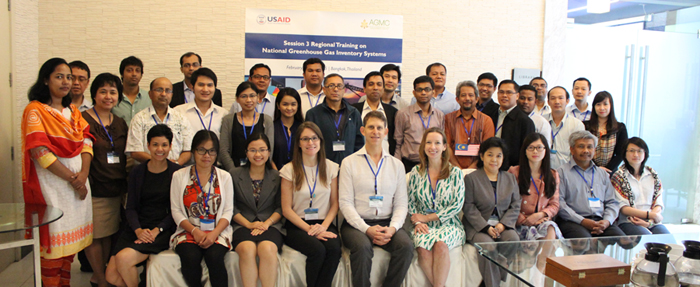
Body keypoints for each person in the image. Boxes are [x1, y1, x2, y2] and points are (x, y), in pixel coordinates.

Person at [21, 58, 95, 287]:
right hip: (52, 188)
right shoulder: (35, 111)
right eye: (59, 76)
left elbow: (86, 142)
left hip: (77, 188)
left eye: (69, 77)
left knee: (68, 255)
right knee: (53, 249)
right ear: (46, 79)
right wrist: (74, 180)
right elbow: (40, 152)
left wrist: (83, 175)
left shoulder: (72, 111)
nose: (66, 82)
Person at [339, 111, 413, 287]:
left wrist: (393, 228)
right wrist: (366, 229)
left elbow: (402, 203)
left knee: (406, 246)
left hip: (387, 221)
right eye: (371, 127)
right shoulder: (349, 162)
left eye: (380, 128)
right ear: (363, 130)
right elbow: (345, 203)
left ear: (386, 132)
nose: (375, 132)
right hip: (356, 224)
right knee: (363, 248)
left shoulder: (397, 165)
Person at [106, 125, 180, 287]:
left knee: (124, 259)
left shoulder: (177, 172)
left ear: (170, 146)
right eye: (155, 145)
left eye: (164, 145)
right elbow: (130, 207)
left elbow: (177, 210)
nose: (160, 149)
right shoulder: (138, 172)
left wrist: (157, 230)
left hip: (162, 229)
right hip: (136, 227)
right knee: (111, 276)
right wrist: (138, 230)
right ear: (148, 146)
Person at [280, 122, 341, 287]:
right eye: (305, 139)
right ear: (298, 143)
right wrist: (309, 229)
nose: (310, 143)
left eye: (314, 138)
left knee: (334, 249)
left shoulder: (331, 167)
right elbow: (286, 209)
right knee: (317, 250)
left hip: (324, 223)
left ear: (320, 141)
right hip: (298, 225)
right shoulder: (289, 170)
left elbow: (335, 204)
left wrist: (322, 227)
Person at [82, 73, 129, 287]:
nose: (108, 96)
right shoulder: (83, 120)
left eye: (112, 92)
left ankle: (100, 275)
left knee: (110, 233)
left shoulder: (119, 122)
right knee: (95, 235)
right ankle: (101, 279)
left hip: (117, 186)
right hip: (95, 186)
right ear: (94, 94)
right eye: (103, 91)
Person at [171, 130, 233, 287]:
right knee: (190, 257)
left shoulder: (225, 176)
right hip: (188, 231)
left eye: (212, 151)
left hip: (216, 231)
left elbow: (228, 211)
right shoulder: (179, 175)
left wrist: (214, 234)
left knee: (214, 257)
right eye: (201, 150)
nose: (207, 155)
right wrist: (194, 231)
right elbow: (176, 211)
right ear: (193, 151)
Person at [407, 127, 465, 287]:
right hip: (423, 226)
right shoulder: (415, 172)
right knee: (422, 247)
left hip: (449, 224)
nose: (433, 147)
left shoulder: (456, 173)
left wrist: (427, 217)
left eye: (437, 143)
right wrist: (419, 222)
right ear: (423, 146)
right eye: (429, 143)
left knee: (440, 245)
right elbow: (410, 203)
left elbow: (457, 205)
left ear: (445, 146)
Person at [462, 137, 521, 287]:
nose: (494, 159)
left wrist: (503, 224)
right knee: (488, 246)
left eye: (498, 155)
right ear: (482, 156)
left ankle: (487, 281)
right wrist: (485, 227)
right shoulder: (471, 178)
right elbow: (468, 207)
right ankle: (493, 283)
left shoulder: (510, 178)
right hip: (478, 227)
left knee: (513, 239)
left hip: (502, 225)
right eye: (490, 154)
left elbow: (515, 204)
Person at [230, 133, 283, 287]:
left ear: (269, 152)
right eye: (252, 150)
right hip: (242, 224)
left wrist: (266, 223)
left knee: (267, 249)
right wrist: (248, 224)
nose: (258, 154)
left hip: (271, 225)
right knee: (247, 249)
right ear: (246, 152)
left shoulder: (277, 176)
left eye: (262, 149)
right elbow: (230, 207)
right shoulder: (234, 174)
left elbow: (281, 207)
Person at [556, 130, 625, 238]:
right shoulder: (561, 173)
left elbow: (612, 202)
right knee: (585, 242)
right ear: (572, 149)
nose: (586, 150)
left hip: (601, 220)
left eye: (590, 147)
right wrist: (583, 221)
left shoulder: (602, 173)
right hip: (573, 221)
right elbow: (560, 203)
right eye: (581, 146)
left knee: (623, 242)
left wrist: (607, 221)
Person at [125, 77, 193, 165]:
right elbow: (135, 151)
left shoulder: (181, 119)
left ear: (172, 95)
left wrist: (175, 164)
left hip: (176, 172)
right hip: (148, 172)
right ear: (150, 94)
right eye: (159, 90)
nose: (163, 94)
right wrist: (161, 163)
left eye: (168, 90)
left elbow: (188, 150)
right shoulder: (139, 119)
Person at [508, 133, 563, 241]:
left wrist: (539, 215)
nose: (535, 151)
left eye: (539, 148)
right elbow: (506, 202)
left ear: (545, 150)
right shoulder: (514, 172)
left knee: (550, 228)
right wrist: (524, 219)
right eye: (531, 148)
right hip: (518, 221)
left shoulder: (553, 174)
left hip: (541, 220)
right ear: (525, 150)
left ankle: (543, 258)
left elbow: (554, 204)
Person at [611, 137, 670, 235]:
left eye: (639, 151)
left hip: (653, 222)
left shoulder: (653, 174)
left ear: (645, 153)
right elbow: (623, 208)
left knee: (668, 242)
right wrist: (650, 215)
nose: (635, 155)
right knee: (646, 239)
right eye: (631, 151)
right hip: (630, 221)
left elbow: (658, 202)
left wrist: (650, 220)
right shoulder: (618, 177)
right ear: (624, 153)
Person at [305, 73, 364, 164]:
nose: (336, 89)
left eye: (339, 86)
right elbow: (309, 143)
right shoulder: (313, 114)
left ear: (344, 90)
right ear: (324, 90)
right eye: (331, 86)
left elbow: (359, 143)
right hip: (322, 166)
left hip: (349, 167)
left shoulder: (354, 113)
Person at [220, 82, 275, 171]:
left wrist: (259, 170)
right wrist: (233, 171)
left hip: (259, 171)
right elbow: (223, 150)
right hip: (233, 170)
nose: (248, 100)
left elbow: (269, 149)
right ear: (237, 99)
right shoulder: (228, 120)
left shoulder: (266, 120)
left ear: (257, 97)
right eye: (244, 96)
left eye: (252, 96)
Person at [395, 76, 445, 172]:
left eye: (427, 89)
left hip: (433, 164)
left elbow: (442, 142)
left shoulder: (439, 115)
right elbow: (398, 143)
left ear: (433, 92)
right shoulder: (403, 114)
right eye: (419, 90)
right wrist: (398, 167)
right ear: (414, 93)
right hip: (409, 165)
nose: (423, 93)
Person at [444, 80, 494, 169]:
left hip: (478, 170)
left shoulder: (486, 120)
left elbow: (487, 149)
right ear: (457, 99)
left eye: (471, 95)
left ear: (477, 99)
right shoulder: (448, 119)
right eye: (463, 95)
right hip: (452, 169)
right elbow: (446, 145)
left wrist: (471, 169)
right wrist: (458, 169)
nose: (467, 98)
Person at [491, 80, 535, 170]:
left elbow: (527, 151)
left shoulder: (525, 121)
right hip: (490, 165)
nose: (504, 95)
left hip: (511, 171)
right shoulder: (491, 115)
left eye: (509, 92)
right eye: (501, 92)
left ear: (517, 96)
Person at [352, 71, 398, 154]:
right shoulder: (353, 110)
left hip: (385, 160)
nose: (375, 88)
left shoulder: (392, 112)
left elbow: (395, 140)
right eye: (371, 84)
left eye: (379, 84)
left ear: (383, 89)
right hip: (359, 160)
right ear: (364, 89)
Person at [583, 91, 628, 174]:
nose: (602, 108)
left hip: (611, 172)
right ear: (593, 107)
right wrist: (596, 167)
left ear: (611, 106)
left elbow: (621, 153)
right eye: (598, 104)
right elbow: (583, 150)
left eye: (605, 104)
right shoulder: (585, 126)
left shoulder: (620, 128)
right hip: (588, 170)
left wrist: (607, 169)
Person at [174, 67, 226, 138]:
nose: (205, 89)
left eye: (209, 85)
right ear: (192, 87)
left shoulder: (223, 114)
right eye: (201, 85)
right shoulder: (178, 112)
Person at [546, 86, 585, 169]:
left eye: (561, 98)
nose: (557, 102)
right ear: (548, 102)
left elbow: (579, 152)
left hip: (567, 172)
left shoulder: (577, 125)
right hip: (544, 171)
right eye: (553, 98)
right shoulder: (541, 122)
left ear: (567, 101)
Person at [112, 56, 151, 127]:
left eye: (137, 71)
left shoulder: (149, 98)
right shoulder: (112, 97)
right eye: (129, 70)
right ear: (122, 74)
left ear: (141, 75)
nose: (134, 74)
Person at [272, 87, 304, 169]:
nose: (289, 108)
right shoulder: (271, 127)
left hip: (299, 173)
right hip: (276, 174)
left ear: (298, 106)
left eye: (293, 104)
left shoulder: (303, 128)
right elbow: (267, 153)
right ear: (278, 106)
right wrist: (276, 173)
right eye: (285, 104)